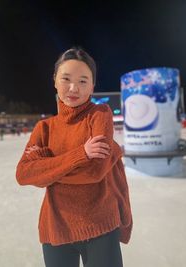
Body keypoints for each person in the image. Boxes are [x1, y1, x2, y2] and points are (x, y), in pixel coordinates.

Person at [16, 47, 132, 267]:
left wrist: (46, 166)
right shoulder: (44, 128)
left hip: (100, 227)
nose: (73, 88)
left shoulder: (100, 114)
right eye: (66, 79)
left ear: (92, 85)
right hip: (55, 229)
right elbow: (23, 175)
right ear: (54, 80)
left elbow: (94, 172)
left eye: (83, 81)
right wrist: (81, 154)